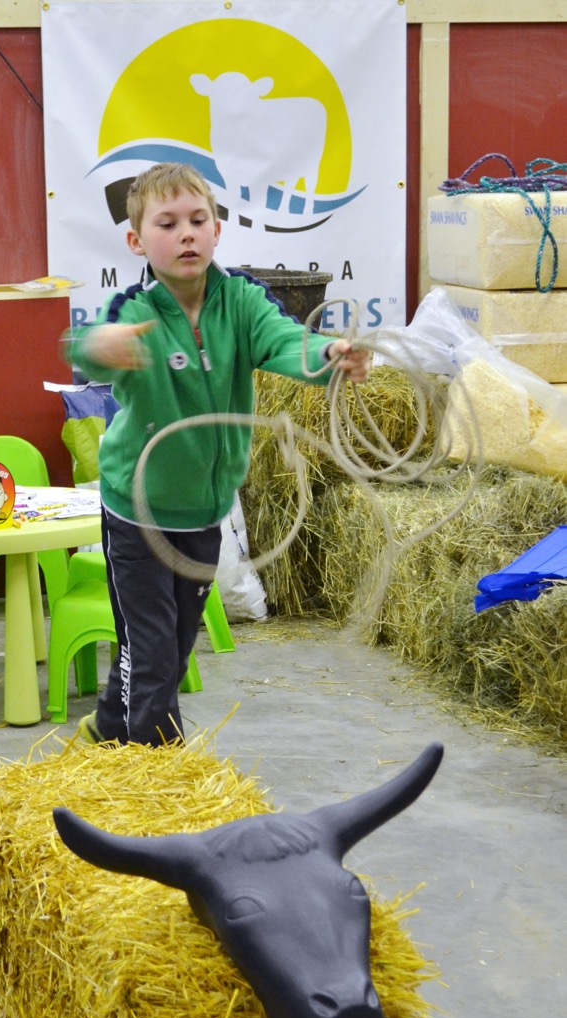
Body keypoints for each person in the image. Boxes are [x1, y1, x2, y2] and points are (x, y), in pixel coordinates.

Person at [66, 161, 370, 747]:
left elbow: (285, 342)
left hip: (204, 513)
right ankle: (156, 767)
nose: (186, 233)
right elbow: (94, 351)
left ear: (216, 230)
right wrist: (100, 347)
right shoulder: (136, 312)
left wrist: (329, 354)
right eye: (168, 222)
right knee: (151, 648)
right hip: (138, 510)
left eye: (198, 219)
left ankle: (106, 728)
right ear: (136, 240)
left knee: (174, 644)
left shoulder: (243, 302)